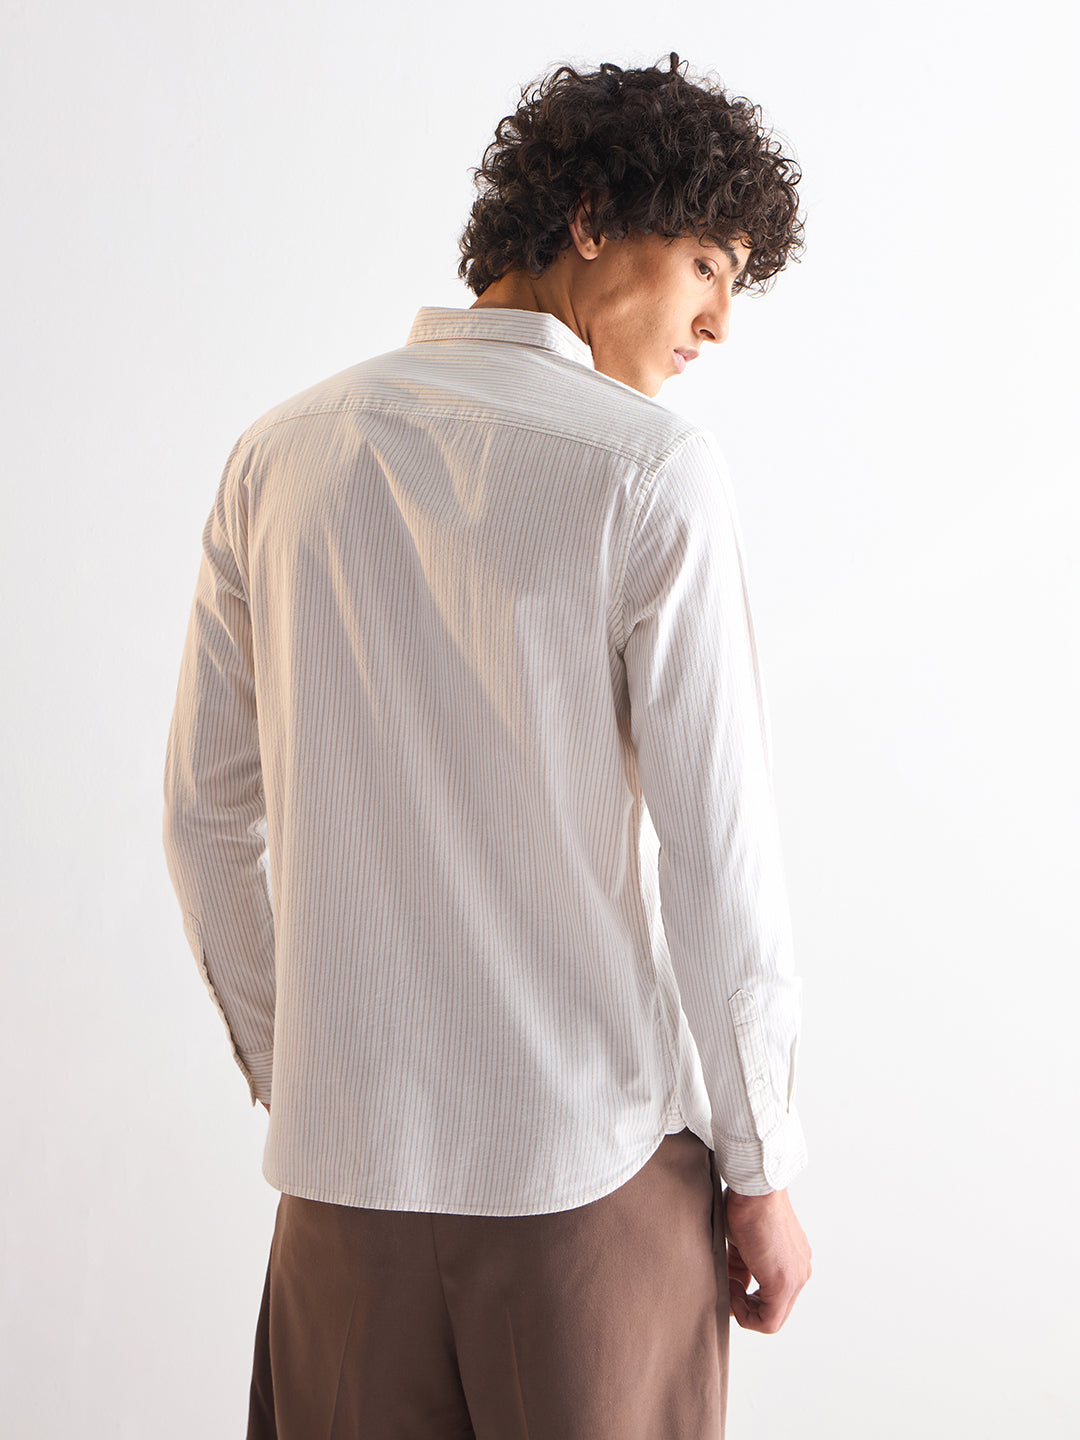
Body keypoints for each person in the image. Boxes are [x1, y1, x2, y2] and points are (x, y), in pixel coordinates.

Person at [162, 51, 812, 1439]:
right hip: (588, 1190)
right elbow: (719, 859)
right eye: (708, 264)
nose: (718, 323)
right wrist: (761, 1171)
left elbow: (205, 823)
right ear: (590, 221)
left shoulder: (278, 454)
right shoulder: (651, 470)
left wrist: (315, 1074)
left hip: (339, 1203)